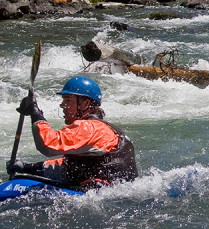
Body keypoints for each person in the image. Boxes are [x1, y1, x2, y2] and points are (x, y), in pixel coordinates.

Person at [7, 76, 138, 189]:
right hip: (109, 192)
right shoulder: (102, 129)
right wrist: (27, 168)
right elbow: (69, 166)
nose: (62, 105)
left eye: (68, 100)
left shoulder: (90, 128)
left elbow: (48, 144)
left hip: (101, 197)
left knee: (20, 185)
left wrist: (36, 114)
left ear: (85, 103)